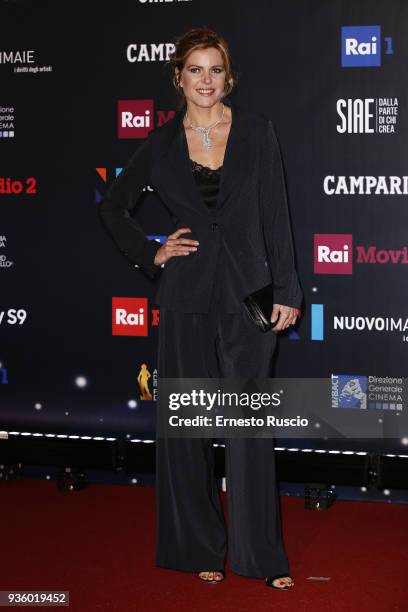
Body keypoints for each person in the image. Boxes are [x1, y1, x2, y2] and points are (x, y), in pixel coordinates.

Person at [99, 26, 302, 590]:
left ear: (227, 76)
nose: (206, 80)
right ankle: (196, 549)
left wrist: (287, 290)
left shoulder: (258, 132)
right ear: (178, 77)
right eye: (195, 69)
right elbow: (114, 207)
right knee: (187, 427)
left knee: (250, 428)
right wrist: (152, 253)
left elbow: (276, 216)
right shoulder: (161, 144)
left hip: (254, 295)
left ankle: (262, 558)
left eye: (215, 69)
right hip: (186, 293)